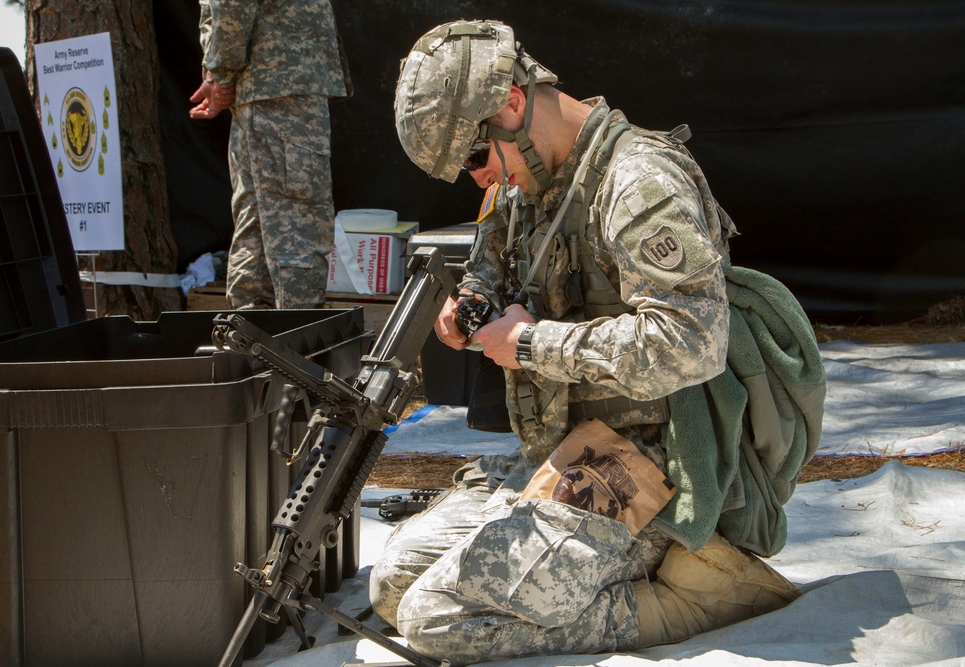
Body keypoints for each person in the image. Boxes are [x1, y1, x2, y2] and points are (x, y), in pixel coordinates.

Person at [369, 19, 827, 664]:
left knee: (439, 619)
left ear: (511, 104)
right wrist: (473, 304)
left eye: (474, 157)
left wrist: (532, 345)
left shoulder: (637, 182)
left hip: (646, 467)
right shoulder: (524, 186)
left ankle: (697, 593)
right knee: (391, 587)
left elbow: (691, 341)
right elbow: (492, 268)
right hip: (564, 454)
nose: (477, 179)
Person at [190, 0, 352, 309]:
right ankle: (296, 342)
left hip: (273, 80)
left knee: (259, 217)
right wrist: (220, 73)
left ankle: (254, 338)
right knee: (295, 220)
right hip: (281, 82)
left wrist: (220, 72)